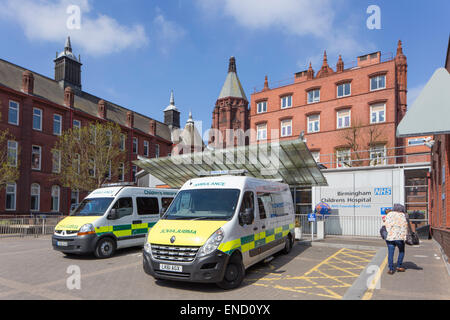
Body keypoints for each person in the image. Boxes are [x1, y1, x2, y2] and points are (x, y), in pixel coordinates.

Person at [384, 204, 408, 274]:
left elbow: (385, 225)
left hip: (390, 236)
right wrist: (405, 236)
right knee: (401, 251)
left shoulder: (389, 214)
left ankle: (391, 269)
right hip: (400, 237)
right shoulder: (403, 215)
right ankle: (399, 266)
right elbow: (405, 227)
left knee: (390, 253)